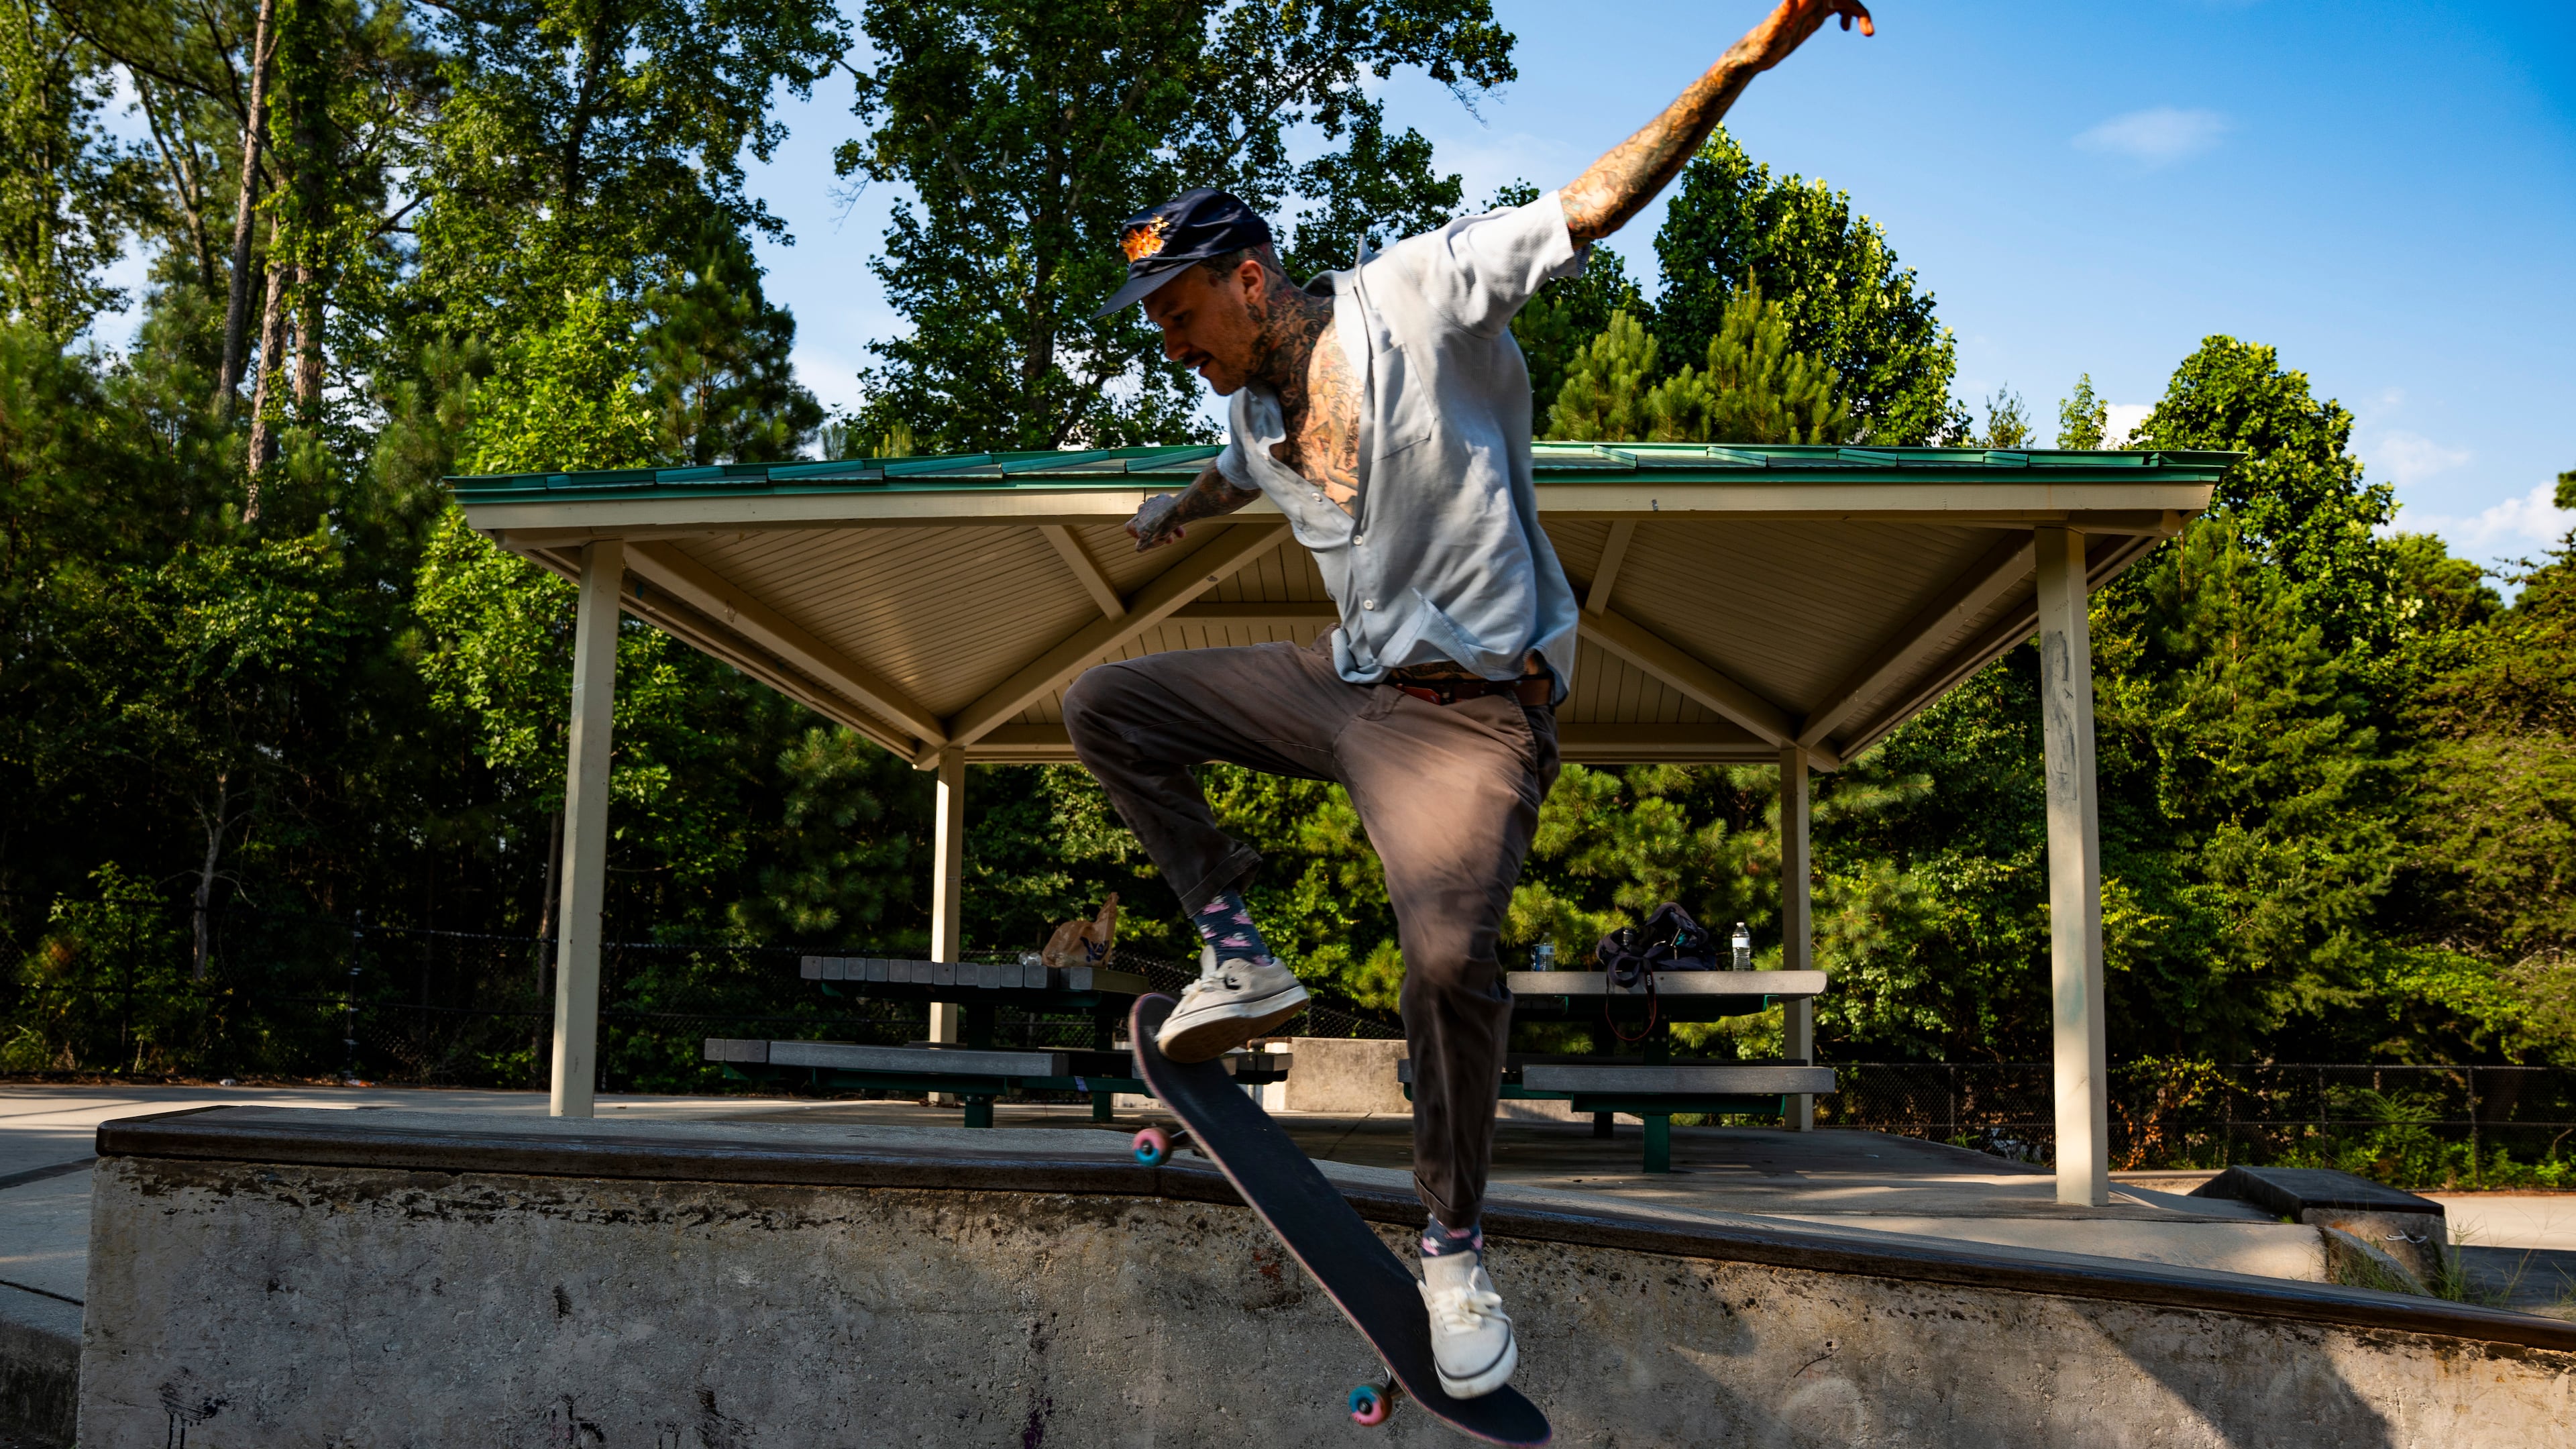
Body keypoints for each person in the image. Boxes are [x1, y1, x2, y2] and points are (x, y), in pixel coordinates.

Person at [1064, 0, 1874, 1401]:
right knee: (1106, 704)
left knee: (1445, 963)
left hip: (1475, 717)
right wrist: (1170, 514)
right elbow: (1234, 479)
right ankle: (1237, 953)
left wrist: (1751, 54)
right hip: (1345, 688)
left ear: (1250, 281)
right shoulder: (1247, 418)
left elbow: (1592, 204)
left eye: (1182, 317)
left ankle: (1451, 1244)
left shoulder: (1418, 293)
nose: (1173, 346)